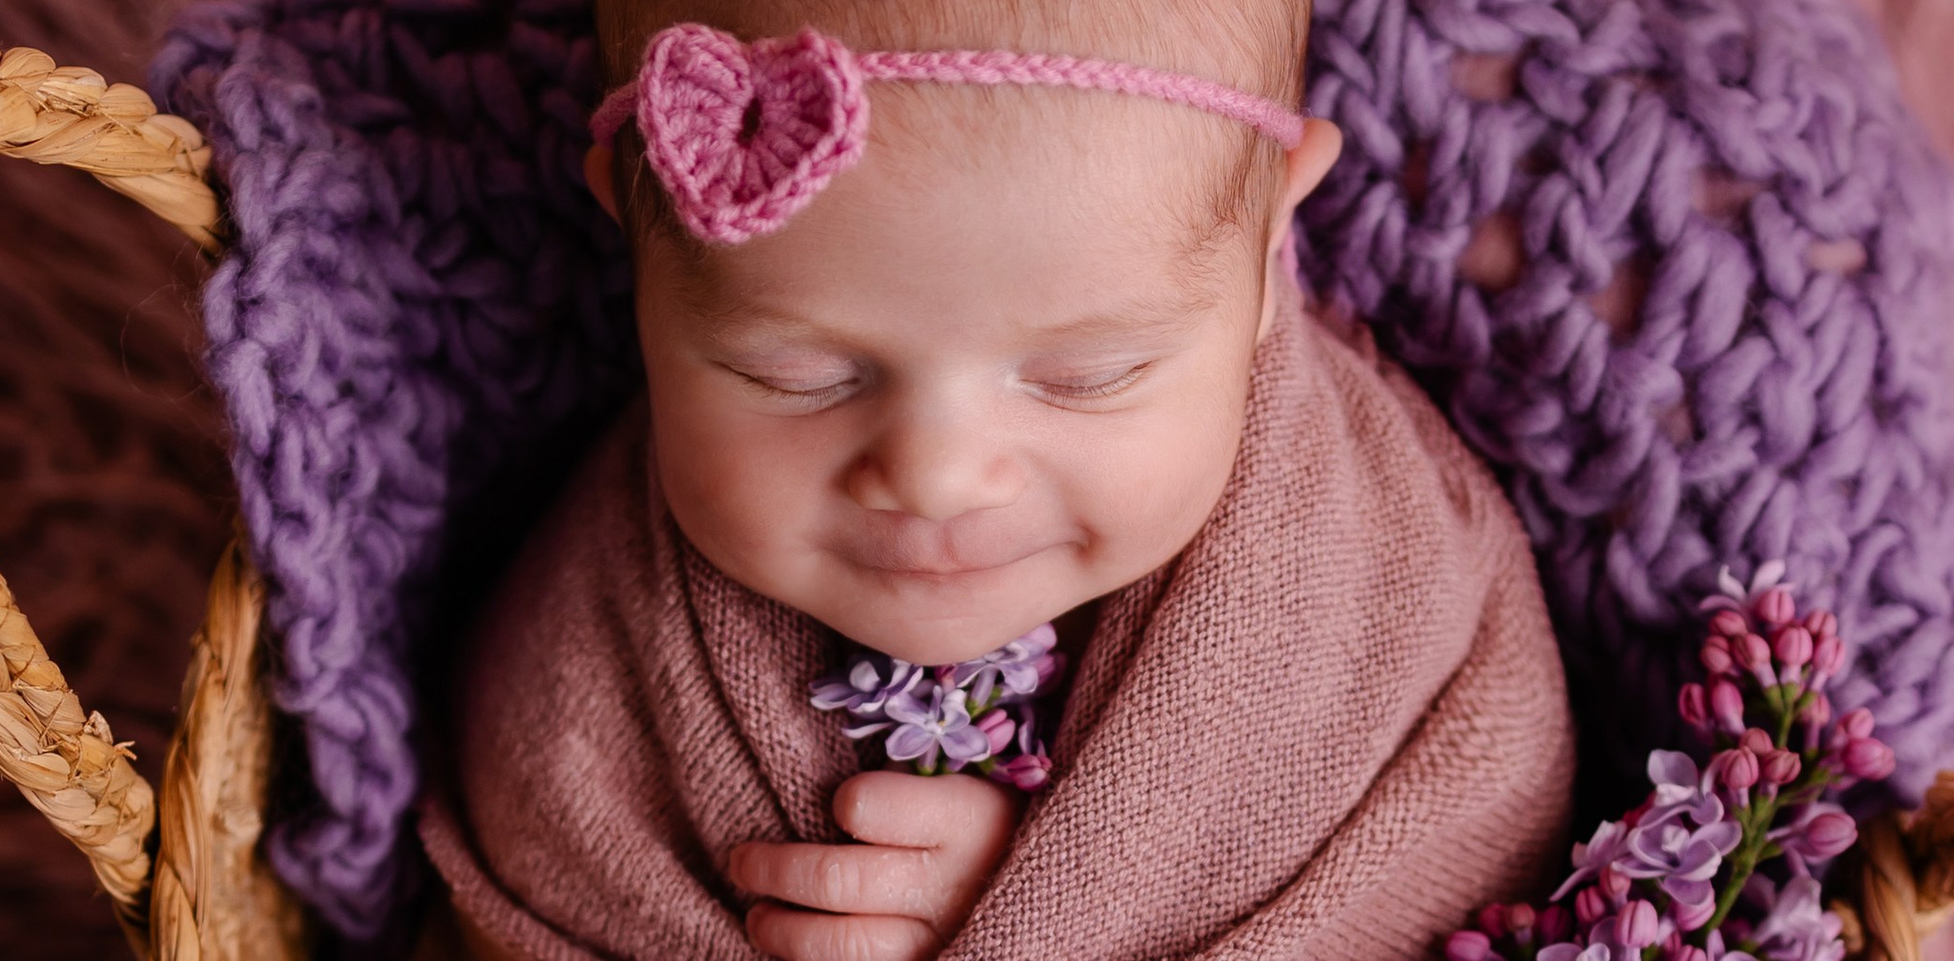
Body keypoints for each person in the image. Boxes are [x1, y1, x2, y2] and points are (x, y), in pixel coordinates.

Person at [415, 2, 1576, 958]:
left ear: (1271, 240)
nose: (935, 477)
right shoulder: (591, 655)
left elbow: (1478, 822)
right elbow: (534, 829)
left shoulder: (1373, 569)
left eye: (1085, 375)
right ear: (634, 239)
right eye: (797, 374)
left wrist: (1053, 902)